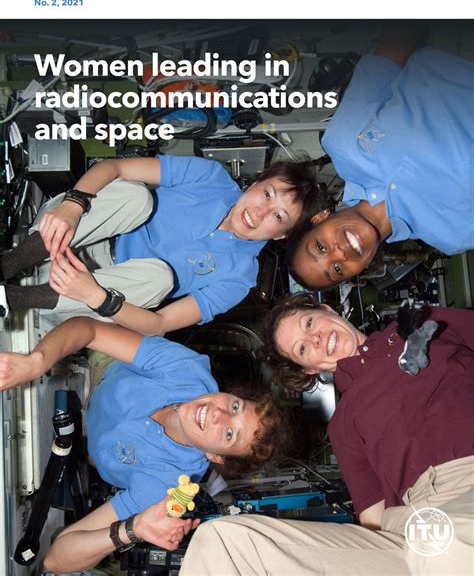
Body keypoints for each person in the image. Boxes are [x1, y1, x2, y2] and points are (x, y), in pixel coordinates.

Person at [204, 293, 474, 575]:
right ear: (309, 369)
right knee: (222, 544)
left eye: (309, 323)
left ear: (327, 309)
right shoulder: (342, 425)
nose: (315, 339)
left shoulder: (417, 323)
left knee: (438, 546)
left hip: (458, 489)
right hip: (410, 524)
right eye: (302, 348)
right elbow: (373, 519)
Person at [0, 316, 286, 572]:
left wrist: (132, 529)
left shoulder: (165, 488)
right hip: (98, 375)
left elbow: (56, 558)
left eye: (229, 434)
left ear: (215, 456)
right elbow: (89, 330)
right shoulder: (186, 369)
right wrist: (35, 362)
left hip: (82, 445)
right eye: (235, 406)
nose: (218, 414)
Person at [1, 154, 325, 334]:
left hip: (94, 291)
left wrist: (96, 296)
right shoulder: (210, 177)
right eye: (267, 194)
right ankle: (8, 262)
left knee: (162, 279)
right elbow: (113, 167)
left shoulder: (239, 279)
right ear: (256, 181)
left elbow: (160, 324)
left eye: (278, 216)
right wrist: (73, 206)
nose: (261, 212)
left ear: (281, 235)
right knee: (137, 196)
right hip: (72, 226)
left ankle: (10, 298)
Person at [286, 37, 474, 290]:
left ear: (319, 218)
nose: (339, 254)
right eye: (337, 270)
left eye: (320, 247)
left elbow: (392, 51)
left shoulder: (342, 142)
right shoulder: (454, 234)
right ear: (360, 271)